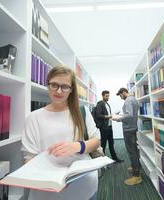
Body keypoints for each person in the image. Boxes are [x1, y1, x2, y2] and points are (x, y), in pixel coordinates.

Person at [21, 65, 100, 200]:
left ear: (71, 90)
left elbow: (96, 142)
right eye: (54, 85)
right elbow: (29, 158)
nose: (59, 90)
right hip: (48, 191)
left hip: (85, 186)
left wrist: (76, 146)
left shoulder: (82, 112)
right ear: (48, 85)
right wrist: (48, 180)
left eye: (65, 86)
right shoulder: (33, 117)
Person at [112, 87, 141, 186]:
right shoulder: (134, 99)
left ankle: (136, 176)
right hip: (133, 127)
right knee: (134, 150)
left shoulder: (128, 100)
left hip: (128, 129)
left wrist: (117, 118)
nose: (120, 97)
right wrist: (122, 114)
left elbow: (129, 115)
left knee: (131, 151)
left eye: (120, 95)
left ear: (124, 92)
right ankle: (135, 166)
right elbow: (131, 114)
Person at [95, 90, 123, 163]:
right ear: (103, 96)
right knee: (103, 145)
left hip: (109, 127)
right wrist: (108, 116)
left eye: (108, 96)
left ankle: (115, 158)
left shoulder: (107, 104)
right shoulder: (100, 104)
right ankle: (102, 161)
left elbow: (108, 115)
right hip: (104, 128)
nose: (107, 97)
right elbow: (98, 115)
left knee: (111, 144)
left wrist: (113, 115)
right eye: (106, 96)